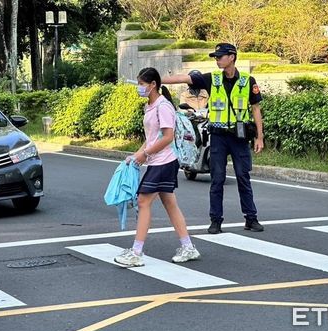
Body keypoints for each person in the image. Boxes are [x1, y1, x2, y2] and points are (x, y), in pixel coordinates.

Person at [163, 42, 265, 234]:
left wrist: (259, 137)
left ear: (232, 57)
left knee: (244, 177)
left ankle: (251, 218)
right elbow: (184, 78)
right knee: (217, 179)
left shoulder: (248, 81)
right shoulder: (212, 79)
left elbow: (256, 109)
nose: (217, 60)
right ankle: (215, 221)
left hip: (239, 138)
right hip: (218, 137)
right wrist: (157, 79)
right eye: (216, 57)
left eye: (220, 56)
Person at [114, 67, 201, 267]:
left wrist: (145, 154)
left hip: (164, 161)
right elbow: (151, 138)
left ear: (153, 85)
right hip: (158, 160)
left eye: (142, 84)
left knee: (143, 202)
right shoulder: (150, 106)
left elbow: (168, 137)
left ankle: (136, 252)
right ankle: (188, 247)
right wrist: (138, 155)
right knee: (170, 203)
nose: (139, 88)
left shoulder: (163, 106)